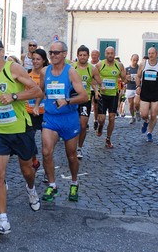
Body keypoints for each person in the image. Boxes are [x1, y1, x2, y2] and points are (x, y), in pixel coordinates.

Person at [0, 38, 42, 235]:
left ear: (0, 51)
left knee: (27, 170)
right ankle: (2, 220)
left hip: (21, 129)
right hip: (0, 131)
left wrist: (13, 96)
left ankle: (31, 189)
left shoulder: (13, 69)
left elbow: (36, 90)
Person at [36, 41, 88, 203]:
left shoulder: (71, 72)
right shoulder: (45, 71)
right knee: (46, 152)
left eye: (56, 53)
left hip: (69, 118)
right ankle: (52, 185)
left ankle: (74, 182)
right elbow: (41, 90)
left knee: (71, 155)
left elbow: (84, 96)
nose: (52, 55)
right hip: (51, 118)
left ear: (64, 54)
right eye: (50, 52)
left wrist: (67, 100)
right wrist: (37, 104)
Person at [72, 45, 103, 159]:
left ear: (88, 56)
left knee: (83, 125)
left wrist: (101, 87)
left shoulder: (92, 69)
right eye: (80, 55)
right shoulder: (72, 67)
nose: (82, 57)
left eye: (85, 55)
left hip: (85, 100)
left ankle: (79, 148)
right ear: (77, 56)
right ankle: (71, 146)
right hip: (73, 99)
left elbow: (98, 81)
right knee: (72, 125)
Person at [95, 47, 126, 148]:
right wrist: (96, 90)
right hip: (102, 95)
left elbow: (124, 79)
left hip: (113, 95)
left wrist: (126, 79)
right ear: (105, 54)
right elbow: (93, 79)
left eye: (112, 53)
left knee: (112, 118)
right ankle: (100, 126)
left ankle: (108, 139)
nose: (110, 55)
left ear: (114, 54)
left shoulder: (119, 65)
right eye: (108, 53)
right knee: (102, 119)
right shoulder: (100, 65)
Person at [136, 47, 158, 142]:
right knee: (144, 114)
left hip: (155, 93)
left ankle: (149, 132)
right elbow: (138, 76)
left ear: (157, 54)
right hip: (145, 92)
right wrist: (138, 86)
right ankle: (145, 121)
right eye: (149, 53)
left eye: (152, 53)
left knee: (154, 115)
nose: (150, 55)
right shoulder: (143, 64)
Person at [25, 48, 49, 169]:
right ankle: (34, 159)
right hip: (29, 112)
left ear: (44, 60)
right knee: (29, 140)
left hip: (45, 113)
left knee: (47, 145)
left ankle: (47, 171)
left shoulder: (48, 74)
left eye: (38, 59)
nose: (35, 61)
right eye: (33, 59)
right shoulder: (27, 74)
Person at [125, 54, 140, 123]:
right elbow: (124, 80)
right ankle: (132, 117)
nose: (135, 61)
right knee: (131, 104)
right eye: (134, 60)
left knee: (136, 102)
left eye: (137, 60)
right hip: (129, 87)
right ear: (131, 60)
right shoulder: (127, 69)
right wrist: (126, 79)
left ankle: (137, 111)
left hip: (137, 87)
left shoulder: (140, 68)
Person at [90, 49, 100, 130]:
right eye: (92, 54)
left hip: (97, 88)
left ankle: (95, 119)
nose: (93, 55)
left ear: (98, 55)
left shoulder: (100, 64)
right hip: (88, 87)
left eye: (95, 54)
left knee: (96, 105)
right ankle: (85, 121)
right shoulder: (88, 64)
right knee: (87, 104)